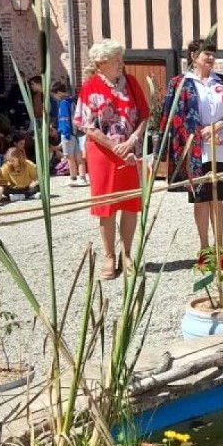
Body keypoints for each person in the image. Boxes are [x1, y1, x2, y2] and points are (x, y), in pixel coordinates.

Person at [160, 38, 223, 257]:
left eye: (214, 54)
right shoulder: (180, 83)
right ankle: (204, 248)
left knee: (218, 196)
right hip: (195, 148)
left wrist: (219, 126)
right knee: (200, 197)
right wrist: (200, 134)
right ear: (194, 57)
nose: (212, 58)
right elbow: (174, 119)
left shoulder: (222, 81)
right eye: (207, 54)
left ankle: (220, 247)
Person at [74, 40, 149, 280]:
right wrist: (116, 146)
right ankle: (108, 256)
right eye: (116, 59)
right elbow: (87, 125)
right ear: (101, 63)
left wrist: (133, 140)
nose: (121, 63)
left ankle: (126, 253)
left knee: (130, 203)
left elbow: (144, 116)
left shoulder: (132, 84)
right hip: (103, 155)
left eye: (120, 58)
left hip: (130, 153)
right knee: (106, 206)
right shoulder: (90, 88)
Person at [52, 80, 88, 186]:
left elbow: (64, 119)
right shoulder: (73, 99)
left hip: (68, 133)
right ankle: (82, 178)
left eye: (54, 95)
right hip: (78, 133)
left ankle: (73, 178)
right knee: (79, 157)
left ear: (58, 92)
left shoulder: (63, 103)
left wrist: (64, 133)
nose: (54, 97)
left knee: (70, 158)